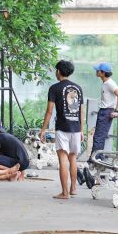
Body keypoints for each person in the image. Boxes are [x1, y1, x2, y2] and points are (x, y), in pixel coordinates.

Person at [40, 60, 84, 199]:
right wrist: (82, 130)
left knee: (63, 159)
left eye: (56, 70)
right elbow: (81, 112)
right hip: (76, 128)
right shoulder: (78, 88)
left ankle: (65, 193)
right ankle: (73, 189)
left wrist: (43, 129)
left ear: (59, 71)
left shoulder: (54, 88)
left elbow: (49, 111)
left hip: (62, 128)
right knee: (73, 158)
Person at [91, 62, 118, 160]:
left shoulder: (110, 83)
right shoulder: (106, 83)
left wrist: (117, 111)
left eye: (98, 70)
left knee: (98, 137)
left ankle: (95, 159)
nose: (96, 72)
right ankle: (98, 157)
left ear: (103, 72)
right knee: (99, 136)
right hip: (104, 111)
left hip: (106, 112)